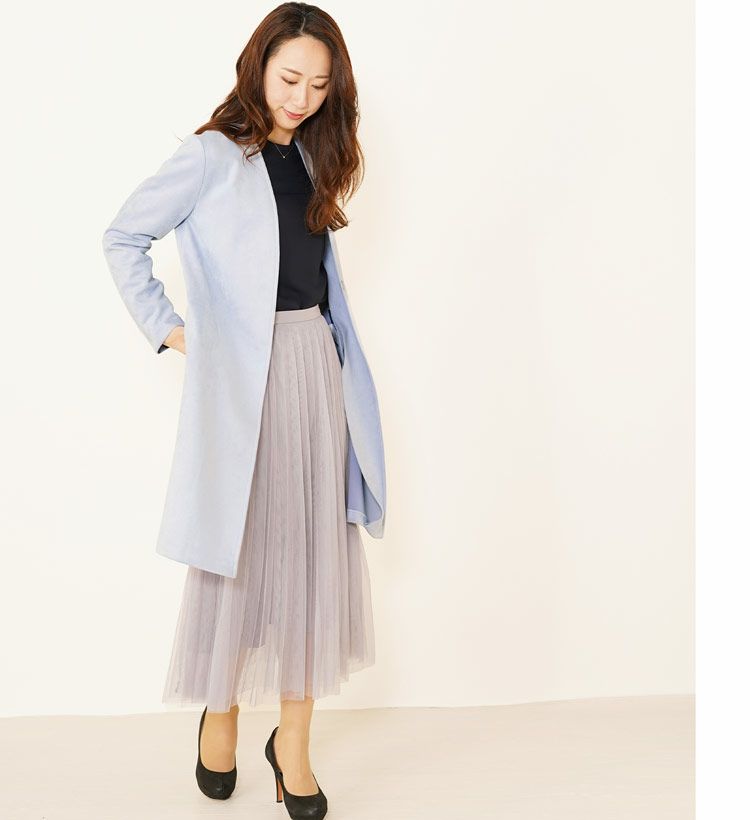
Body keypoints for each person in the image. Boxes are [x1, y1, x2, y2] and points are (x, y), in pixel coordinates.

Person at [101, 4, 387, 818]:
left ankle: (293, 742)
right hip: (243, 379)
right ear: (258, 65)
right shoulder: (209, 156)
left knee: (314, 551)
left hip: (314, 365)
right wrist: (172, 330)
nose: (301, 98)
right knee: (238, 548)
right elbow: (123, 237)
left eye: (319, 86)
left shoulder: (314, 154)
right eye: (290, 78)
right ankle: (220, 712)